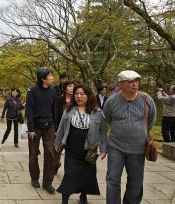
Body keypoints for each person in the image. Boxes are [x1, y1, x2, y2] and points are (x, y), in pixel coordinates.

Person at [103, 70, 156, 204]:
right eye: (130, 81)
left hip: (138, 149)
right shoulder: (111, 101)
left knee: (136, 183)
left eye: (136, 81)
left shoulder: (146, 99)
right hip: (116, 147)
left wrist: (139, 132)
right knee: (112, 180)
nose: (135, 84)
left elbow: (150, 120)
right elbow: (108, 119)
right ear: (121, 84)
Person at [54, 84, 107, 204]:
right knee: (70, 174)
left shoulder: (97, 112)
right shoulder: (69, 109)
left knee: (87, 175)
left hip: (90, 149)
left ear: (88, 96)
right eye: (77, 94)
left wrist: (104, 148)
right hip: (72, 149)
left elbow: (103, 131)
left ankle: (83, 196)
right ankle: (64, 200)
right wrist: (57, 142)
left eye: (82, 94)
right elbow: (62, 127)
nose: (79, 96)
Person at [25, 67, 58, 193]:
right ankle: (34, 178)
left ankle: (47, 182)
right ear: (43, 78)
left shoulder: (53, 91)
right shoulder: (32, 91)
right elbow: (29, 110)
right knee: (33, 154)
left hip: (49, 125)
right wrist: (31, 129)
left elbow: (54, 109)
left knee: (50, 153)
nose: (52, 78)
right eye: (50, 76)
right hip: (35, 127)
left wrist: (55, 127)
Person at [55, 80, 76, 174]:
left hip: (73, 130)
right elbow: (54, 114)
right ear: (65, 88)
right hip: (60, 129)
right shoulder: (59, 100)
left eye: (74, 86)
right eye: (70, 86)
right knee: (56, 152)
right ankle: (56, 164)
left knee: (71, 154)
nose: (72, 88)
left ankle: (70, 172)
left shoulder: (77, 100)